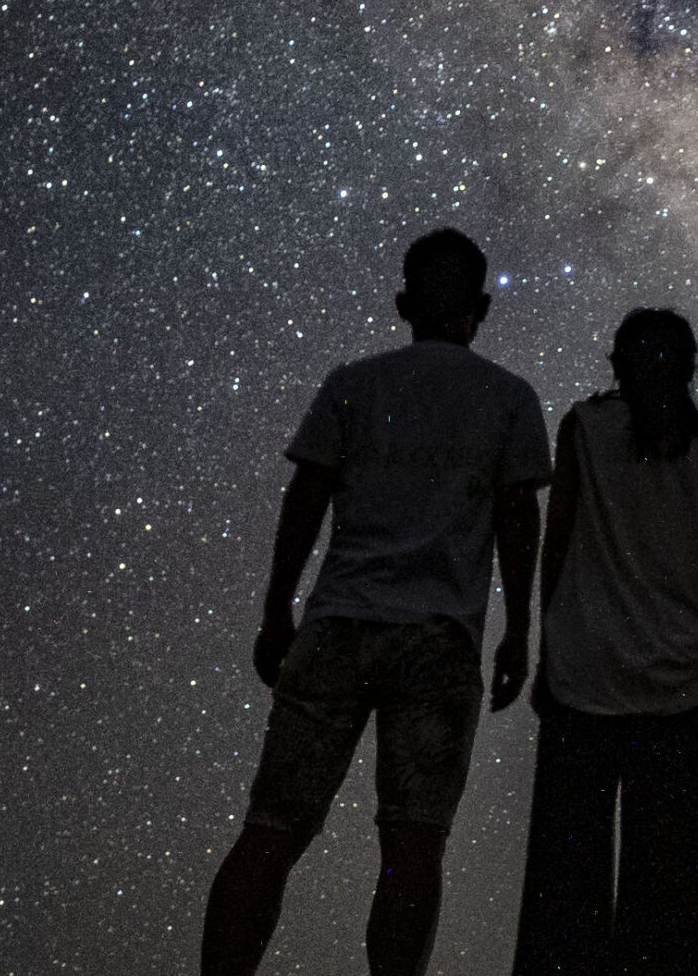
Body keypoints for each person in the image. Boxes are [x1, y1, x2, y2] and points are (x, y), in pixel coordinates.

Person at [201, 228, 551, 976]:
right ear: (481, 309)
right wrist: (520, 629)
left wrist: (275, 607)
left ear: (402, 302)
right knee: (414, 842)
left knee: (271, 828)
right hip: (437, 637)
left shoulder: (354, 383)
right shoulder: (509, 397)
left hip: (337, 625)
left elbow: (306, 499)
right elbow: (520, 519)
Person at [512, 309, 698, 976]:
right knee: (674, 899)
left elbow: (556, 546)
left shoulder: (586, 427)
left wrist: (539, 644)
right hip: (678, 685)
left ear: (616, 364)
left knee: (564, 886)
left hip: (585, 674)